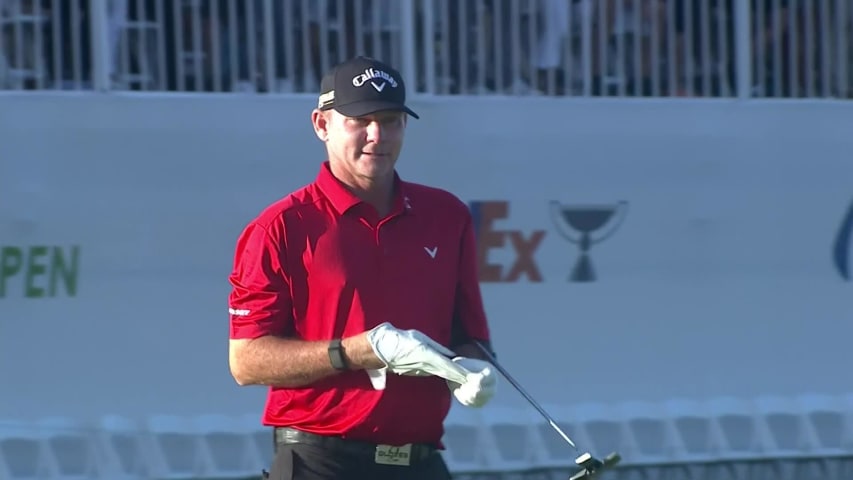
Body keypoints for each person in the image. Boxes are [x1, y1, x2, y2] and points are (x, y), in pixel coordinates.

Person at [227, 56, 499, 480]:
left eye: (391, 120)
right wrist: (362, 350)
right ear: (322, 125)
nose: (378, 135)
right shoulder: (281, 226)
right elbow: (246, 361)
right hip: (320, 461)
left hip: (419, 461)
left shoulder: (446, 215)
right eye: (360, 120)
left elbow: (470, 337)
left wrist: (475, 369)